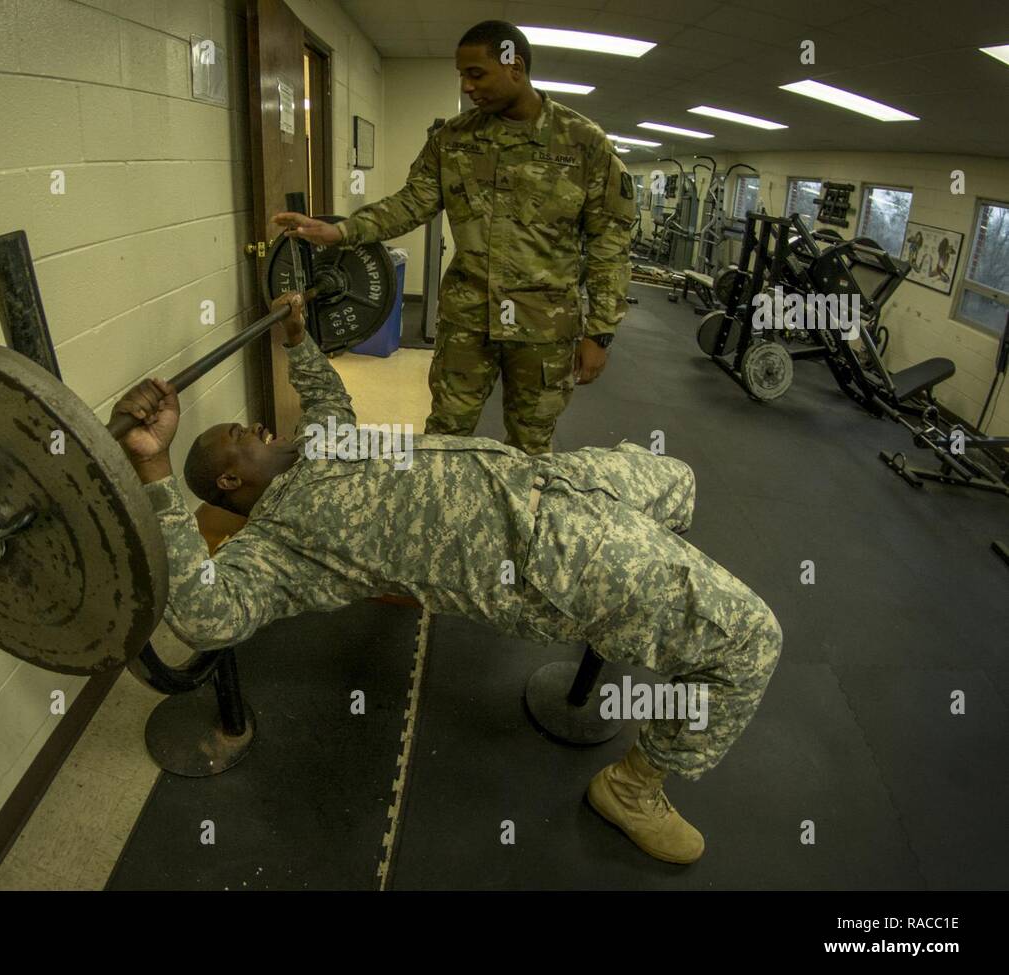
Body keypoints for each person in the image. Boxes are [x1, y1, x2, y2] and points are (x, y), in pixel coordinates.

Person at [111, 294, 783, 865]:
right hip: (554, 555)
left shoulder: (319, 443)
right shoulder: (281, 546)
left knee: (680, 481)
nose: (260, 424)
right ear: (232, 480)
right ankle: (633, 786)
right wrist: (156, 469)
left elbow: (324, 395)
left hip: (553, 481)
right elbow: (205, 617)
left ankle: (652, 602)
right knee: (751, 639)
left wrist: (297, 335)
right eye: (243, 434)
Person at [272, 19, 636, 457]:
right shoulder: (455, 140)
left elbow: (609, 246)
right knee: (444, 438)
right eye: (461, 75)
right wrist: (340, 231)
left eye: (476, 73)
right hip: (469, 320)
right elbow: (411, 203)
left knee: (531, 445)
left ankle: (519, 520)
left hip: (545, 327)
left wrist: (600, 334)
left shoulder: (584, 144)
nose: (467, 86)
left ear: (514, 66)